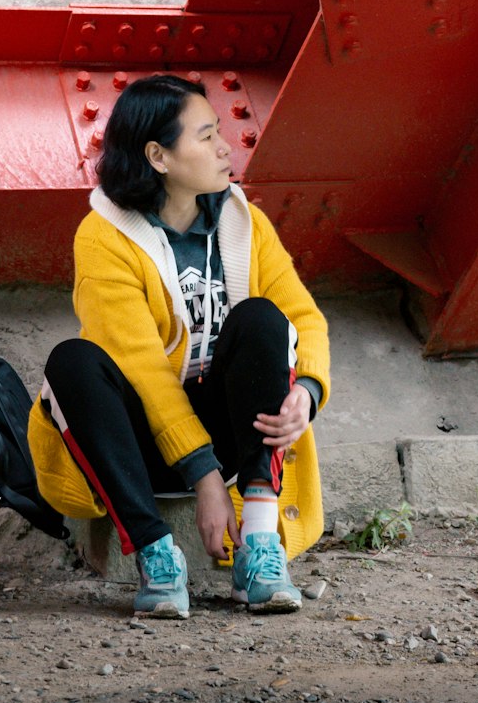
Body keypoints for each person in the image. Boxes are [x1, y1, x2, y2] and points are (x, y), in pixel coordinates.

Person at [27, 73, 330, 618]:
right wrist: (205, 477)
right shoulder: (104, 236)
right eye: (206, 135)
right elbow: (143, 369)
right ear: (158, 157)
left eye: (220, 132)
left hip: (232, 431)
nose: (224, 147)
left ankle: (259, 549)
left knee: (263, 317)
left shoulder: (244, 222)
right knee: (71, 362)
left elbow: (304, 317)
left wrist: (307, 389)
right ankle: (155, 552)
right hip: (140, 443)